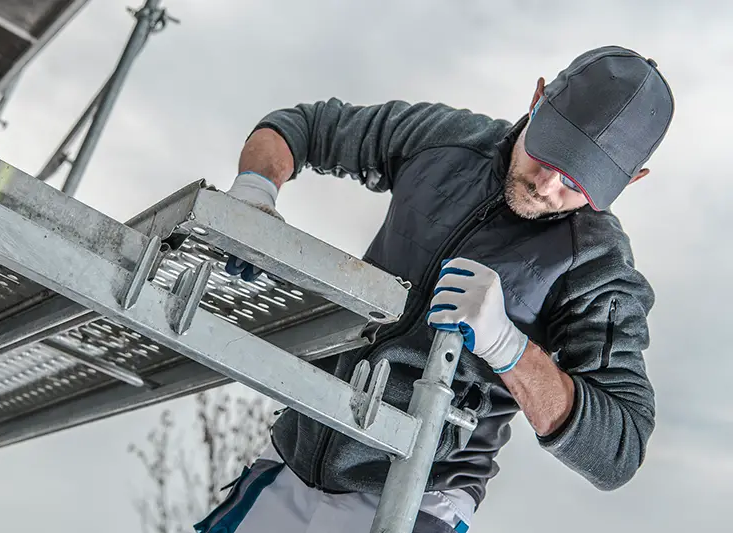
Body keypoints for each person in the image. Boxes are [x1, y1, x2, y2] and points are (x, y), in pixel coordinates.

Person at [194, 45, 675, 533]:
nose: (547, 185)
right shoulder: (445, 141)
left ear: (631, 180)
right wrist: (253, 192)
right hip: (291, 459)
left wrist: (509, 348)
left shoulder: (596, 265)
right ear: (538, 98)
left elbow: (620, 448)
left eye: (578, 182)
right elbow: (303, 128)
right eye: (548, 152)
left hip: (416, 498)